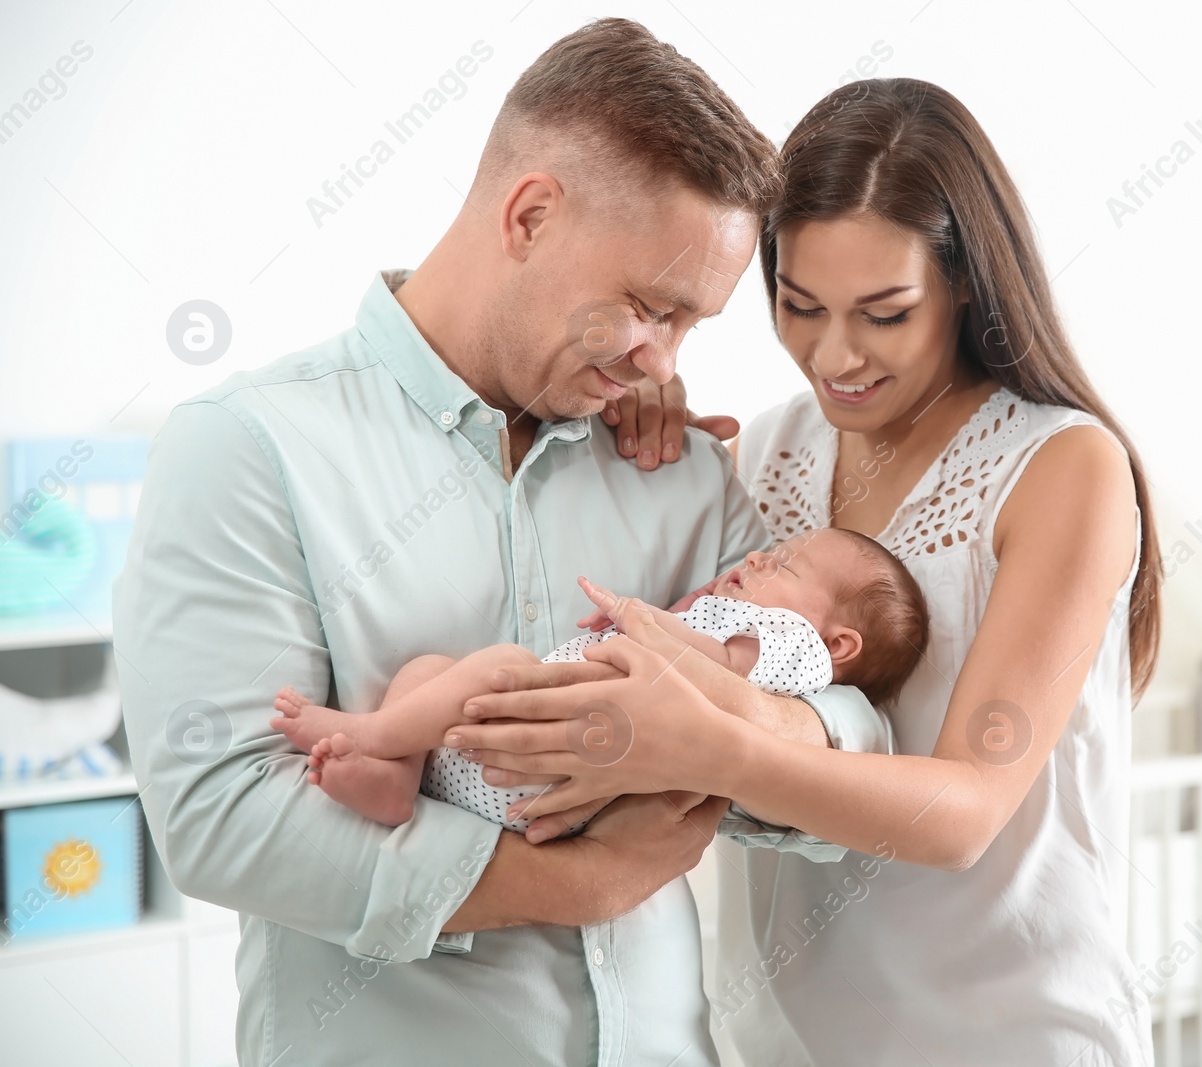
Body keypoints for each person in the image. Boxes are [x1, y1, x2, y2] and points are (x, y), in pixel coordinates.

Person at [112, 20, 890, 1067]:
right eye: (647, 306)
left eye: (690, 324)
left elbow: (852, 734)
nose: (661, 357)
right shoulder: (248, 448)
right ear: (529, 214)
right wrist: (575, 880)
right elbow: (223, 816)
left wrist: (728, 728)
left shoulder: (672, 465)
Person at [446, 78, 1165, 1065]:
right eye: (799, 305)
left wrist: (707, 747)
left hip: (1010, 1032)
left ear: (965, 282)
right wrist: (634, 405)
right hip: (788, 1032)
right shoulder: (776, 444)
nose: (834, 355)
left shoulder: (1061, 466)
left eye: (884, 312)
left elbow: (963, 812)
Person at [267, 529, 928, 829]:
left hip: (556, 752)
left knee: (495, 665)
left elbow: (719, 668)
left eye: (785, 564)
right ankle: (395, 775)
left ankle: (372, 733)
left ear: (840, 642)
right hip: (516, 760)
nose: (759, 555)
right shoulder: (737, 617)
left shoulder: (795, 646)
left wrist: (638, 616)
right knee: (431, 672)